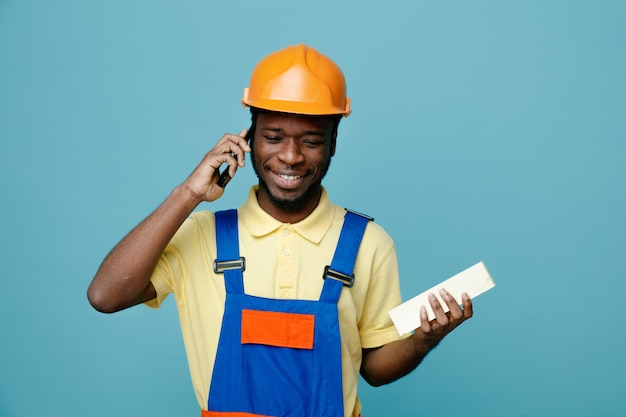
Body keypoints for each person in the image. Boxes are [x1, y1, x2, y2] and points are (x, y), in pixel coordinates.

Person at [87, 44, 473, 417]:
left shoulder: (368, 244)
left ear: (333, 144)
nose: (290, 156)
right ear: (248, 139)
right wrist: (187, 194)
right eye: (273, 137)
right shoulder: (202, 236)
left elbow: (373, 368)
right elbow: (106, 295)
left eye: (311, 141)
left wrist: (424, 338)